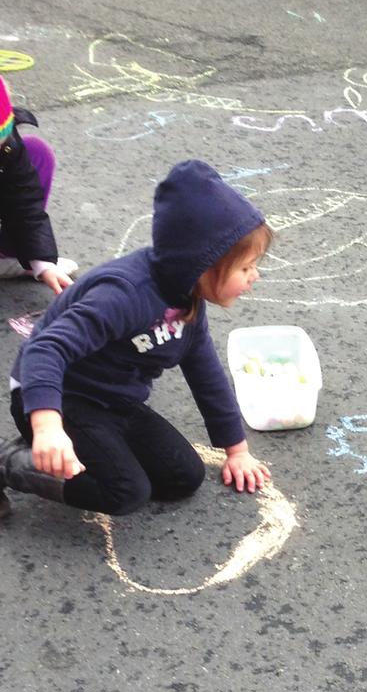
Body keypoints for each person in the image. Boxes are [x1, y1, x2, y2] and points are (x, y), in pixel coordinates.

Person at [0, 159, 273, 518]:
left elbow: (205, 372)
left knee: (183, 477)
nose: (255, 276)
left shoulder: (186, 295)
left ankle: (78, 444)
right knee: (126, 491)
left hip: (113, 399)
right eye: (245, 267)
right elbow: (45, 347)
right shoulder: (124, 295)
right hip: (59, 394)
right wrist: (48, 426)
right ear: (202, 263)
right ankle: (8, 461)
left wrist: (236, 450)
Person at [0, 76, 77, 295]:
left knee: (36, 153)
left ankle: (9, 252)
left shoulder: (7, 146)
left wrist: (43, 263)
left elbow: (25, 204)